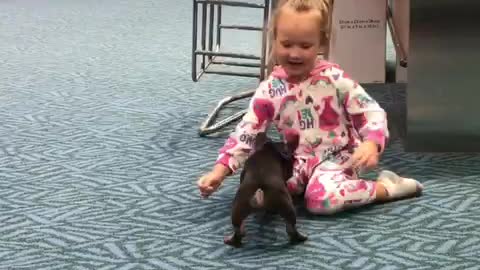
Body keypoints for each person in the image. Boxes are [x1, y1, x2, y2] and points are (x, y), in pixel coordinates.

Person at [197, 0, 423, 215]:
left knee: (321, 201)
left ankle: (387, 187)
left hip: (341, 155)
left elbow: (370, 111)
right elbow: (246, 132)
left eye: (305, 45)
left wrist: (372, 143)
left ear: (322, 43)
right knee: (260, 196)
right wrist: (220, 171)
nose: (295, 53)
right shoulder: (269, 90)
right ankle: (308, 186)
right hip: (299, 160)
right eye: (286, 44)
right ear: (274, 40)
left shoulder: (334, 79)